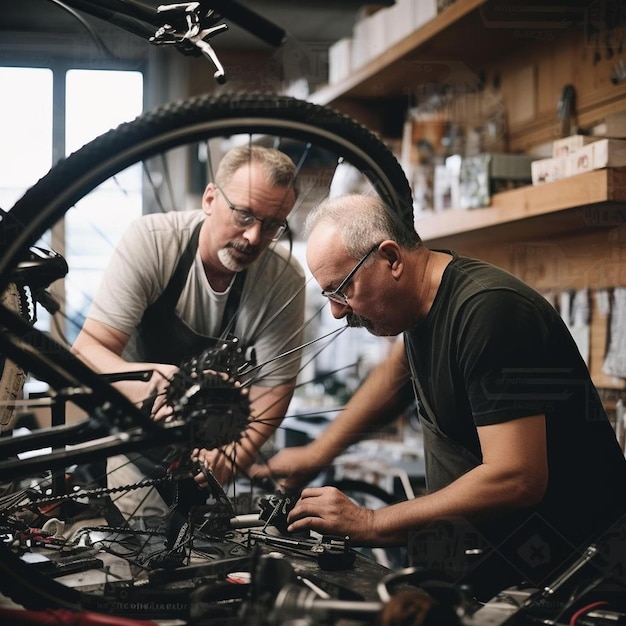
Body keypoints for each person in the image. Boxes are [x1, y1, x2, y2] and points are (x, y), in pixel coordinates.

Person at [253, 193, 626, 600]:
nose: (338, 313)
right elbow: (395, 374)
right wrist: (316, 454)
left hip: (571, 575)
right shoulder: (420, 309)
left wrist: (371, 522)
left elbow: (518, 477)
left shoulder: (490, 314)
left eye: (342, 290)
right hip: (502, 565)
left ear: (391, 258)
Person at [72, 144, 305, 518]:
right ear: (210, 198)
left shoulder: (284, 280)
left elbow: (274, 388)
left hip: (206, 451)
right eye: (244, 215)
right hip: (130, 439)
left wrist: (231, 457)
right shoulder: (153, 241)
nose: (254, 237)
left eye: (273, 224)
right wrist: (154, 381)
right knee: (134, 553)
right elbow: (88, 350)